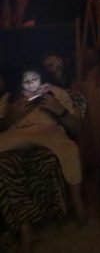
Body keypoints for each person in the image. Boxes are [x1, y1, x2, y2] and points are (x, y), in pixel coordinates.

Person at [0, 68, 85, 224]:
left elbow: (77, 128)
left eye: (34, 79)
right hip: (17, 133)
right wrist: (10, 117)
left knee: (69, 149)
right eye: (26, 80)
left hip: (48, 131)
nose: (30, 83)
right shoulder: (10, 97)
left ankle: (77, 201)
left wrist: (58, 109)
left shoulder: (56, 92)